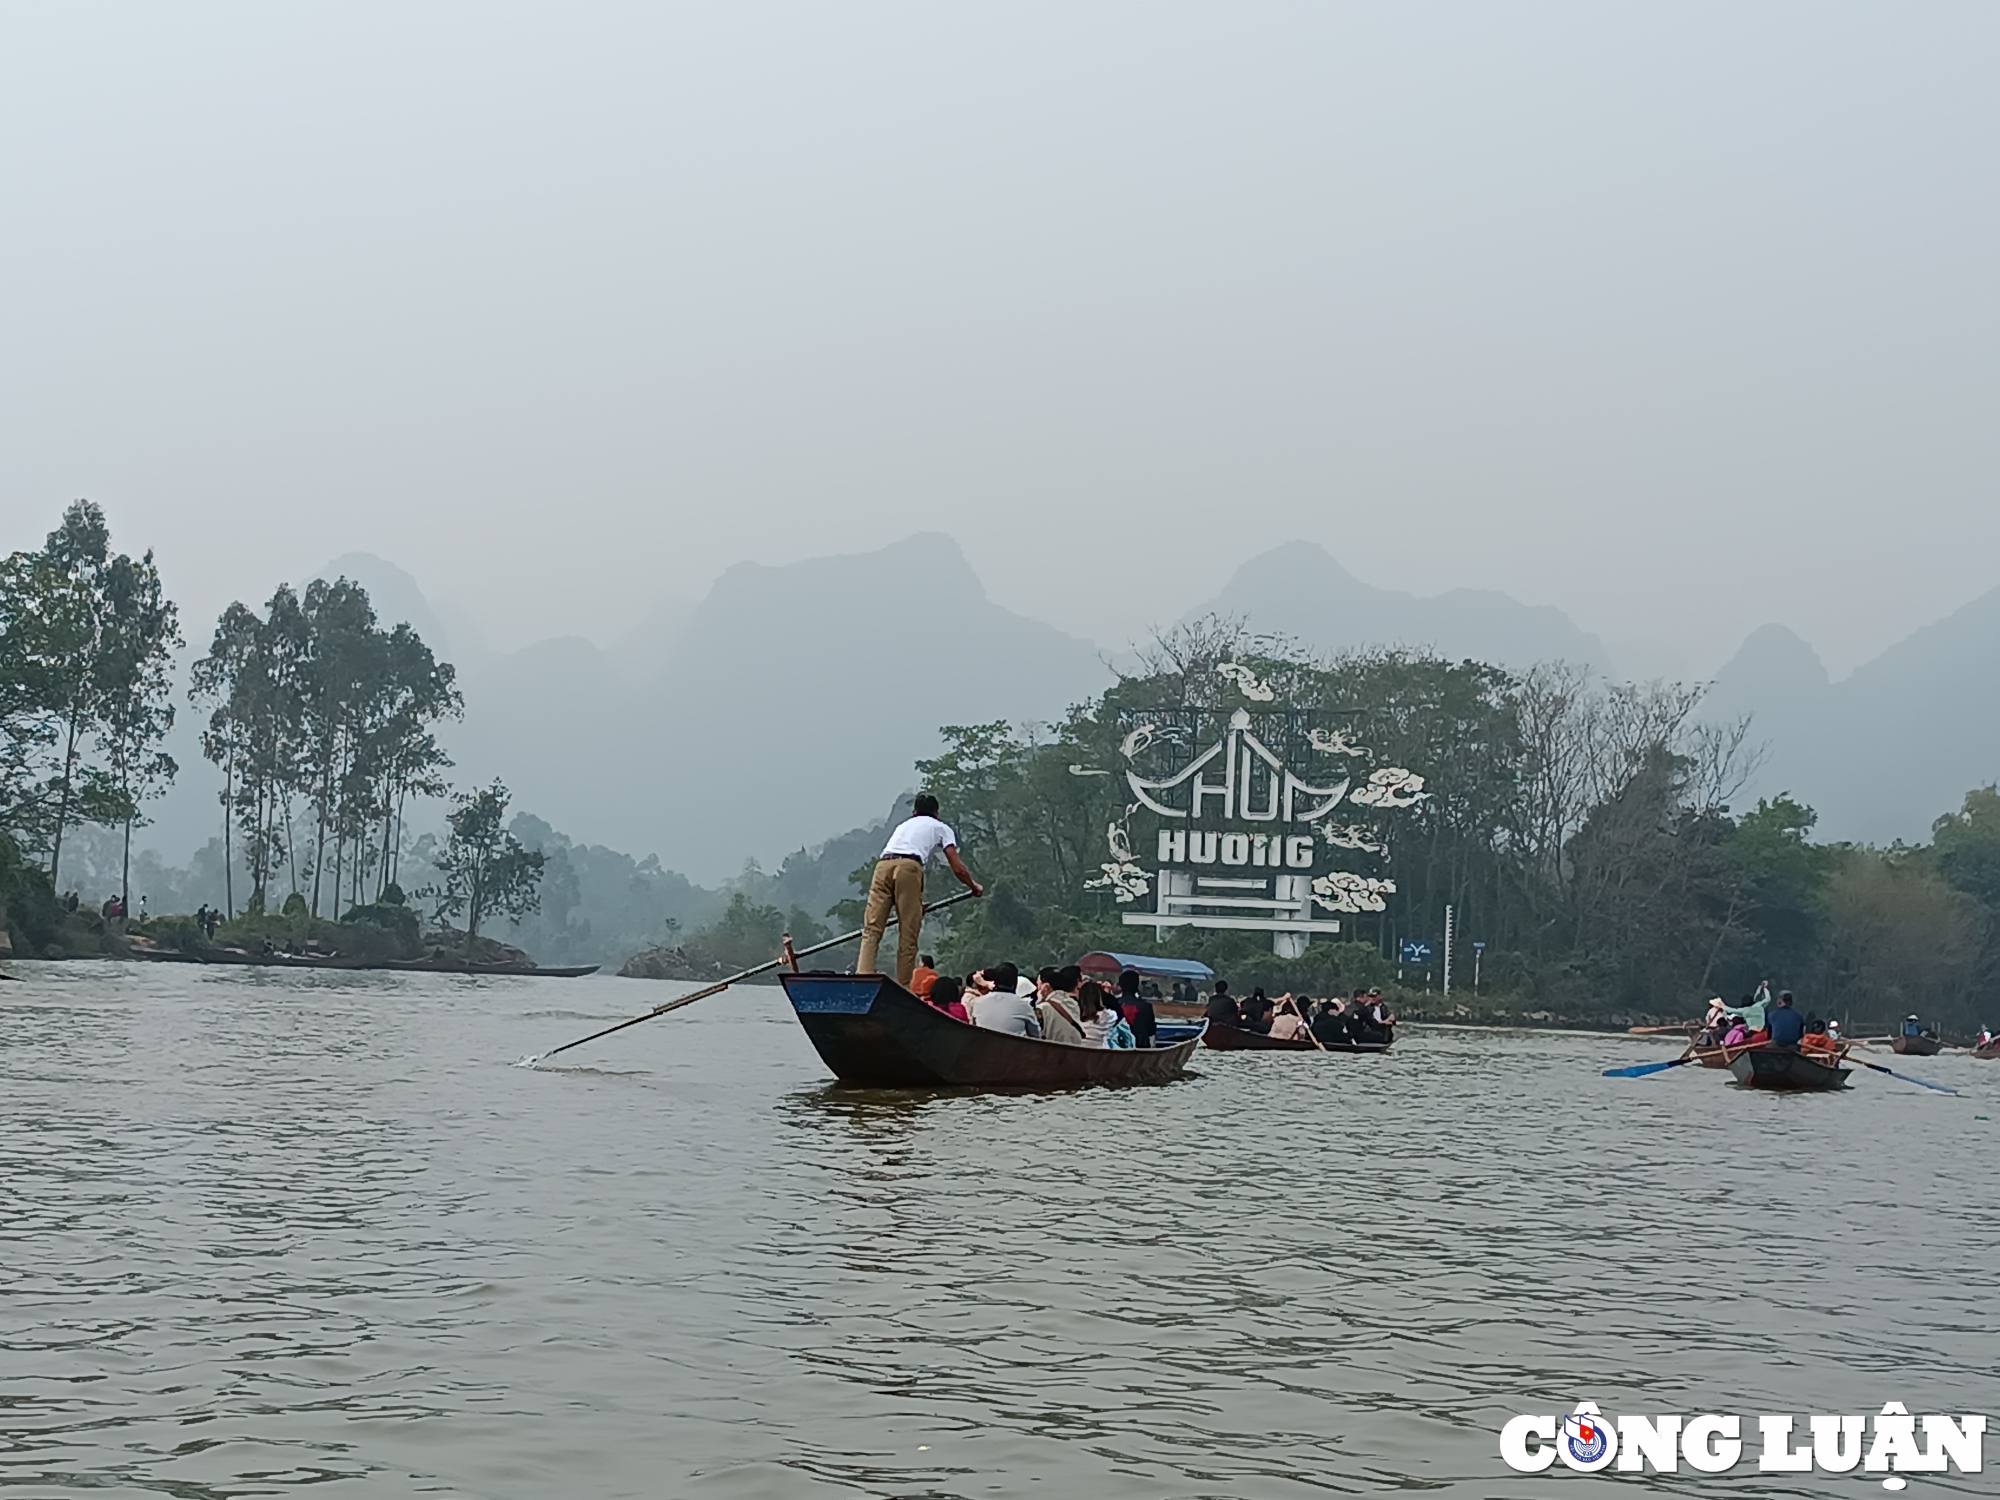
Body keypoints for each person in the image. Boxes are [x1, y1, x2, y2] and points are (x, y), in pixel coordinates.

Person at [856, 793, 982, 989]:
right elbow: (957, 867)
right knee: (908, 930)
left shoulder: (903, 826)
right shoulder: (941, 827)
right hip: (909, 866)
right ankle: (904, 986)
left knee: (872, 929)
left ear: (914, 812)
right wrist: (973, 886)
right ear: (936, 813)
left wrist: (915, 904)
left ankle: (863, 975)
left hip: (882, 866)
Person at [971, 978, 1041, 1037]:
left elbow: (974, 1027)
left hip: (984, 1049)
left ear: (994, 982)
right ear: (1015, 984)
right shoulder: (1023, 1004)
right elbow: (1035, 1034)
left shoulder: (978, 1002)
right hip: (1013, 1051)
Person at [1035, 965, 1085, 1044]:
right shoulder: (1073, 1003)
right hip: (1074, 1051)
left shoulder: (1043, 1008)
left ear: (1046, 986)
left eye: (1039, 985)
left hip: (1052, 1051)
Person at [1117, 969, 1156, 1049]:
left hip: (1118, 1046)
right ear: (1137, 986)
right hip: (1141, 1047)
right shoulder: (1146, 1006)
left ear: (1120, 985)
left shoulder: (1113, 1005)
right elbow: (1151, 1031)